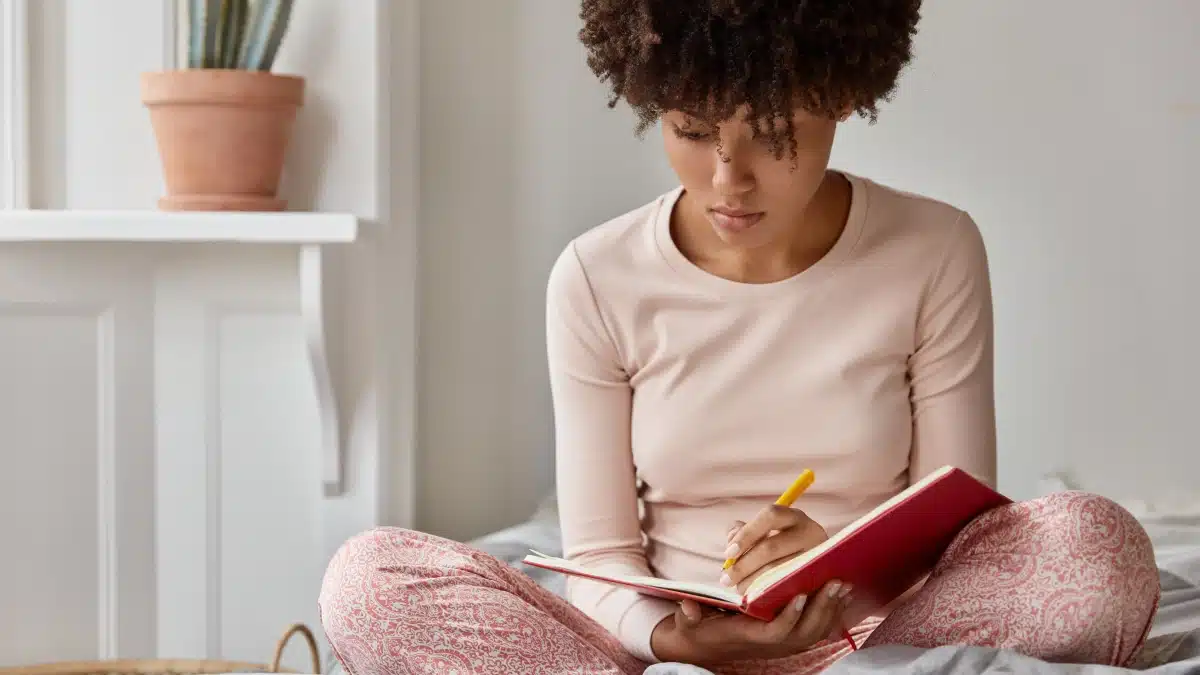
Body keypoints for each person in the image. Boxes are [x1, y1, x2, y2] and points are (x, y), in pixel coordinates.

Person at [318, 1, 1161, 673]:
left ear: (839, 100)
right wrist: (680, 642)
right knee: (368, 581)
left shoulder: (934, 248)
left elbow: (958, 529)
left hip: (870, 637)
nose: (730, 179)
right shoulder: (594, 275)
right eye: (691, 133)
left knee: (1097, 546)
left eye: (773, 136)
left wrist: (831, 569)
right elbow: (601, 554)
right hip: (669, 645)